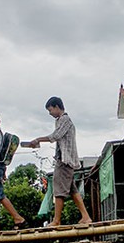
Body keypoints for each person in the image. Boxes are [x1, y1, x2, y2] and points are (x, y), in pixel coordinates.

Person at [30, 96, 92, 226]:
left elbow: (55, 136)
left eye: (51, 110)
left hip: (65, 161)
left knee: (58, 190)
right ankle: (85, 216)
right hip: (65, 159)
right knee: (72, 190)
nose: (50, 113)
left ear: (57, 107)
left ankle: (57, 220)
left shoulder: (65, 120)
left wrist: (38, 139)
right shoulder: (61, 120)